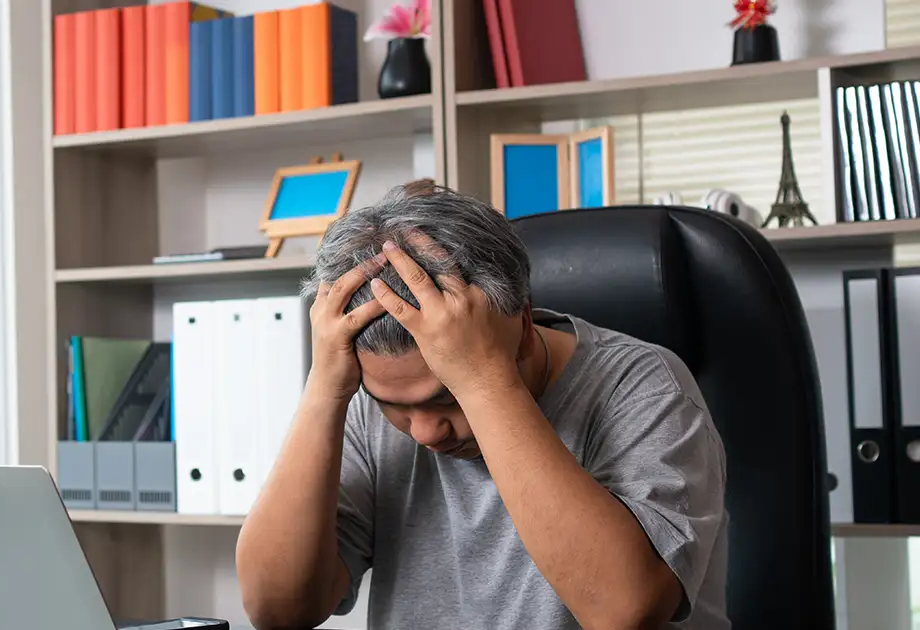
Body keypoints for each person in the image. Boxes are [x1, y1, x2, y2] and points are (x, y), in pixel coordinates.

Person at [235, 181, 729, 630]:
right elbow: (277, 610)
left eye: (446, 398)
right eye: (395, 407)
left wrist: (481, 381)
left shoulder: (644, 385)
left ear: (522, 327)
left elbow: (624, 612)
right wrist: (324, 389)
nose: (425, 432)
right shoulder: (367, 397)